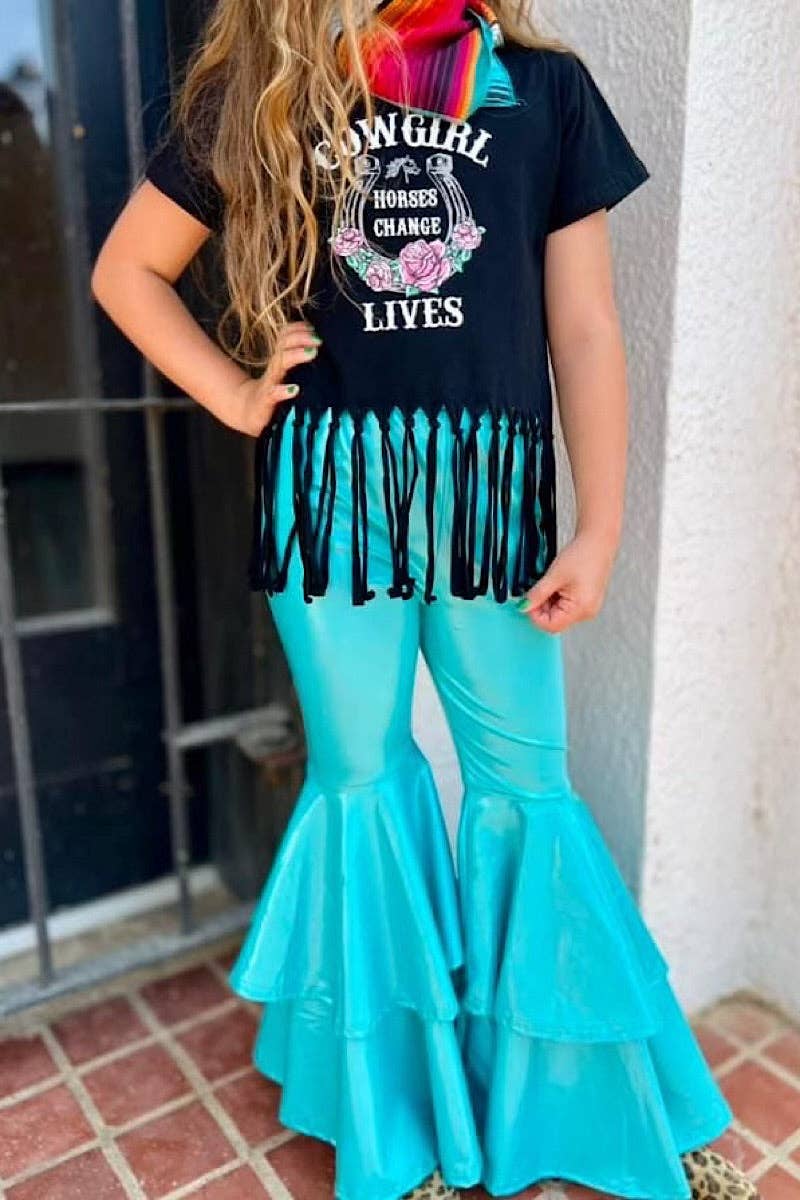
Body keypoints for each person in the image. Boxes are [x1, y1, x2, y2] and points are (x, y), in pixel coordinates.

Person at [91, 3, 757, 1199]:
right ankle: (397, 1130)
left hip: (485, 498)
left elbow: (584, 328)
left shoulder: (539, 89)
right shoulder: (263, 87)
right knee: (359, 785)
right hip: (327, 497)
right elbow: (126, 269)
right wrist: (235, 395)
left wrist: (600, 527)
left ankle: (585, 1109)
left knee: (525, 786)